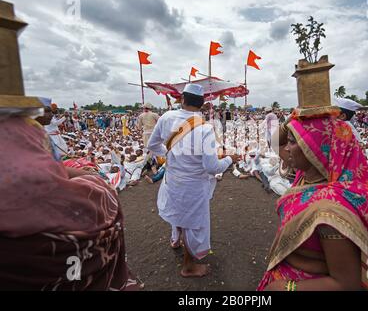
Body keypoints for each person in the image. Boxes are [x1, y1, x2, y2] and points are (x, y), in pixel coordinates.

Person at [258, 107, 368, 291]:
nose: (286, 148)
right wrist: (297, 115)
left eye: (292, 142)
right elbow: (276, 142)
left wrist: (286, 288)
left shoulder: (331, 210)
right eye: (288, 141)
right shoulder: (307, 176)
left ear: (313, 148)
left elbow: (345, 284)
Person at [0, 99, 139, 290]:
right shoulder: (95, 198)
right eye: (46, 110)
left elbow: (54, 169)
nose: (50, 114)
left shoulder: (38, 136)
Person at [148, 83, 239, 278]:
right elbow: (212, 168)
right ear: (203, 104)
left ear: (182, 99)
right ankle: (188, 266)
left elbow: (152, 145)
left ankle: (176, 240)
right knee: (193, 223)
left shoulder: (166, 118)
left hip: (172, 180)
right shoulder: (205, 129)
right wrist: (231, 159)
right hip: (193, 186)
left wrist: (169, 155)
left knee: (178, 212)